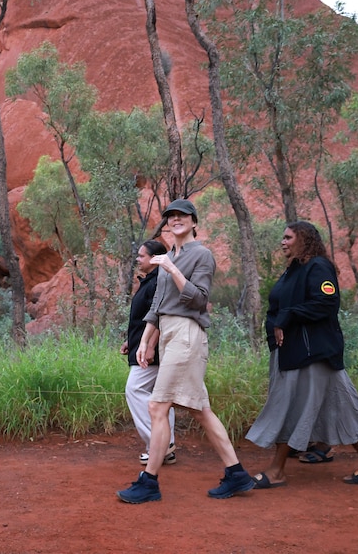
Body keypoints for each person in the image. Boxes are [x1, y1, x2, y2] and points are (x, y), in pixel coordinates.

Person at [116, 199, 255, 504]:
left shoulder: (201, 255)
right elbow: (157, 306)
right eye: (171, 216)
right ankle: (236, 473)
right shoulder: (170, 256)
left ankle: (149, 481)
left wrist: (171, 269)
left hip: (187, 334)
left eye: (182, 215)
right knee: (199, 409)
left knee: (157, 406)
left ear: (194, 221)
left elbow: (198, 299)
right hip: (168, 334)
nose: (175, 219)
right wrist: (146, 341)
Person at [245, 221, 358, 488]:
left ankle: (276, 471)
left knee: (289, 405)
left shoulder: (318, 266)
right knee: (339, 406)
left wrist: (287, 317)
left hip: (310, 354)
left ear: (304, 239)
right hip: (298, 352)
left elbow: (326, 303)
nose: (283, 242)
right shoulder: (295, 269)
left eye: (288, 237)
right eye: (283, 238)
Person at [121, 239, 177, 467]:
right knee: (159, 396)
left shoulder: (158, 283)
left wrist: (151, 345)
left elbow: (162, 317)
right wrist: (131, 341)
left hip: (152, 351)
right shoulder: (151, 281)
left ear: (154, 259)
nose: (138, 259)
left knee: (134, 389)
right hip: (142, 346)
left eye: (141, 256)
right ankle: (167, 445)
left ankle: (158, 445)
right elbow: (143, 318)